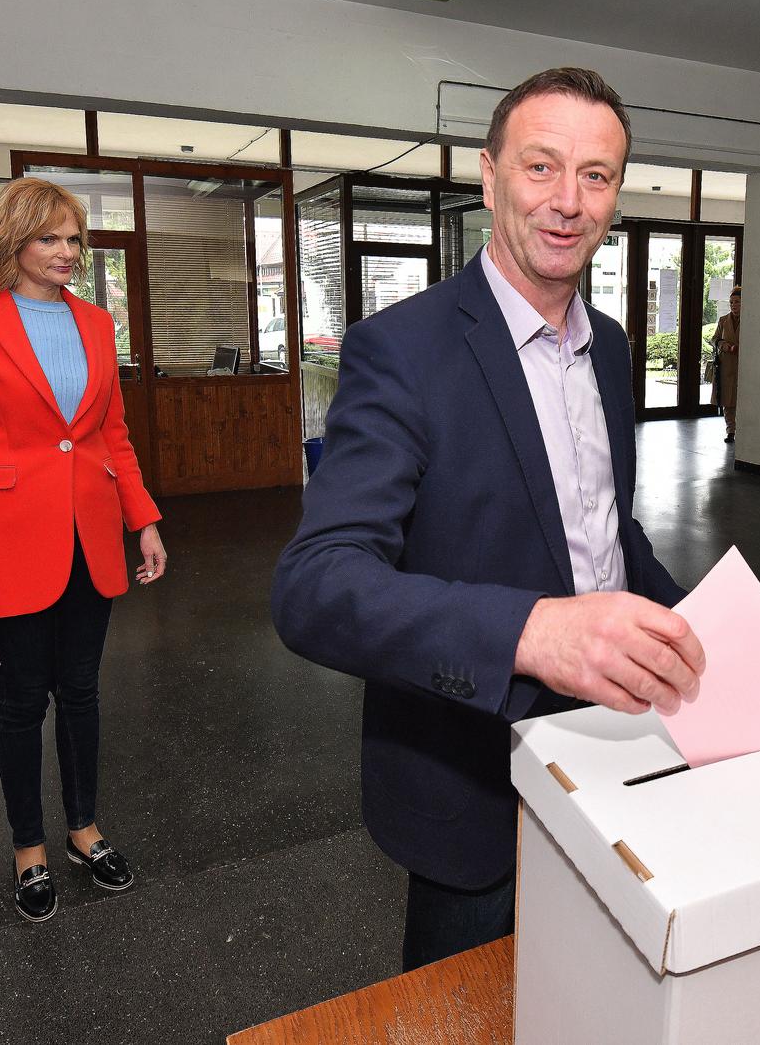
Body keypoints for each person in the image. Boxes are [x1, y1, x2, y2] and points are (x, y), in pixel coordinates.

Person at [272, 67, 706, 970]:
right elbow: (317, 586)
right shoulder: (400, 351)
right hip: (475, 781)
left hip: (619, 753)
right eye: (541, 167)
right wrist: (529, 632)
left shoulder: (613, 346)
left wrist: (694, 627)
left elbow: (605, 532)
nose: (567, 201)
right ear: (489, 175)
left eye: (596, 176)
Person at [0, 177, 167, 922]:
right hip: (5, 539)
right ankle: (29, 848)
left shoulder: (95, 323)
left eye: (74, 239)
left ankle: (84, 830)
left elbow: (108, 435)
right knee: (23, 700)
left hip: (89, 535)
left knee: (84, 693)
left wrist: (142, 519)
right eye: (49, 239)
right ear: (12, 243)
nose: (67, 253)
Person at [715, 285, 740, 441]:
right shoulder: (723, 320)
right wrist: (724, 346)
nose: (733, 305)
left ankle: (743, 429)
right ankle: (730, 430)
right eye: (731, 302)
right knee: (728, 400)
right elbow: (714, 339)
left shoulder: (751, 321)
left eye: (737, 302)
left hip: (742, 365)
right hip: (727, 364)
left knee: (740, 398)